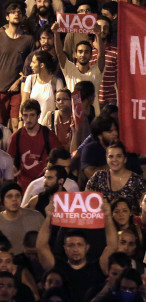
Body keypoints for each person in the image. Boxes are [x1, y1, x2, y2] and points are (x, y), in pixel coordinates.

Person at [36, 200, 117, 302]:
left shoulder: (98, 267)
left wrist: (108, 216)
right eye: (71, 245)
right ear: (64, 247)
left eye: (79, 245)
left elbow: (112, 246)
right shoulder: (58, 268)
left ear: (87, 247)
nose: (75, 249)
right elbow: (41, 246)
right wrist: (49, 217)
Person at [51, 17, 105, 115]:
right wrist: (56, 33)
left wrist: (98, 35)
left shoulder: (96, 71)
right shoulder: (69, 69)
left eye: (86, 52)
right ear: (75, 54)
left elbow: (101, 55)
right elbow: (59, 53)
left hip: (93, 117)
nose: (83, 55)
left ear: (91, 55)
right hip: (73, 116)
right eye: (80, 52)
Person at [8, 99, 60, 191]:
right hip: (23, 187)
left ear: (38, 116)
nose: (28, 119)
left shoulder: (49, 136)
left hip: (44, 186)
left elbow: (59, 161)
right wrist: (13, 169)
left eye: (32, 115)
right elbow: (9, 161)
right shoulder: (16, 136)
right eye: (25, 115)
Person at [0, 1, 35, 131]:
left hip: (18, 89)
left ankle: (15, 151)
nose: (16, 14)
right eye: (13, 12)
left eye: (19, 12)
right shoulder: (0, 35)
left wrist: (19, 81)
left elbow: (31, 66)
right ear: (7, 16)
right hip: (0, 88)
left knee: (17, 125)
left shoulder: (28, 39)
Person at [86, 142, 145, 215]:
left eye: (119, 156)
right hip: (102, 223)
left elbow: (143, 208)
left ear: (125, 159)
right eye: (111, 156)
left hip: (129, 224)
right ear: (106, 159)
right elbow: (85, 201)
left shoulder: (136, 179)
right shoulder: (98, 176)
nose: (115, 160)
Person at [21, 50, 63, 125]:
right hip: (30, 127)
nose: (30, 65)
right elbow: (24, 104)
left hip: (48, 127)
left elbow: (60, 108)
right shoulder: (30, 80)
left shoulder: (57, 82)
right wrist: (21, 123)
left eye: (33, 62)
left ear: (42, 65)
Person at [0, 183, 44, 253]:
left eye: (17, 196)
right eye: (9, 196)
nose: (14, 199)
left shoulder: (36, 217)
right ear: (2, 199)